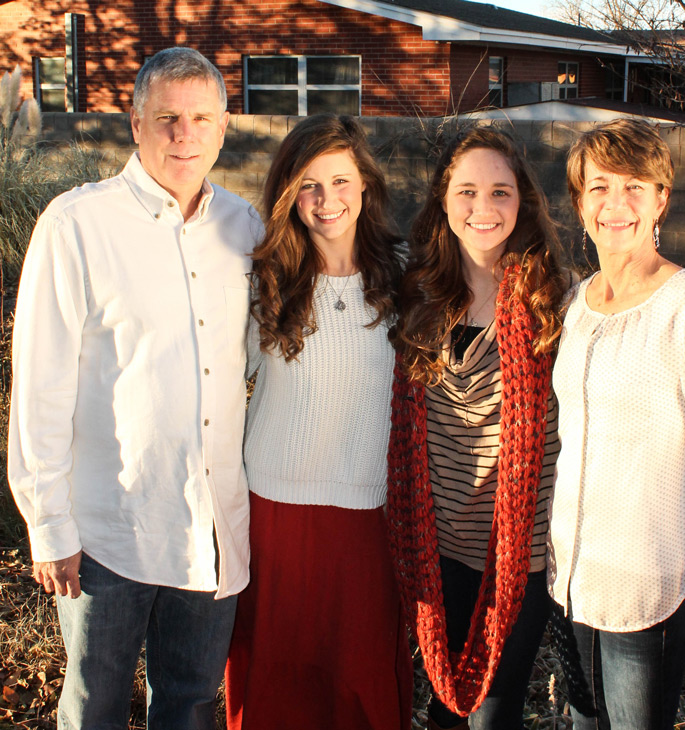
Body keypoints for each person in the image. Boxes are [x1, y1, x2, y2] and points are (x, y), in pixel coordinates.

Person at [8, 47, 262, 730]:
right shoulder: (76, 225)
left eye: (201, 118)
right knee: (93, 707)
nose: (185, 135)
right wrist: (48, 524)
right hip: (106, 532)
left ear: (224, 124)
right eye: (168, 118)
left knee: (188, 704)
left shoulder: (245, 228)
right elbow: (41, 384)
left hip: (212, 527)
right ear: (136, 123)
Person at [224, 113, 411, 730]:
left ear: (365, 186)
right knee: (278, 679)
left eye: (340, 181)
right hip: (275, 512)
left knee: (357, 677)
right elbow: (214, 383)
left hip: (368, 514)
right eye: (308, 184)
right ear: (288, 194)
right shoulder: (265, 281)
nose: (326, 200)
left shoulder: (406, 277)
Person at [547, 118, 685, 729]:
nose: (615, 204)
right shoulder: (574, 304)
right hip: (571, 578)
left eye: (634, 186)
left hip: (645, 586)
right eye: (598, 187)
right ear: (579, 203)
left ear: (661, 201)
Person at [388, 126, 570, 730]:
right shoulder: (415, 293)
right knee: (442, 713)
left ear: (522, 202)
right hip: (433, 546)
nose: (483, 209)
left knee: (495, 714)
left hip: (519, 555)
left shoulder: (555, 300)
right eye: (467, 191)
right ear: (443, 199)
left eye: (500, 192)